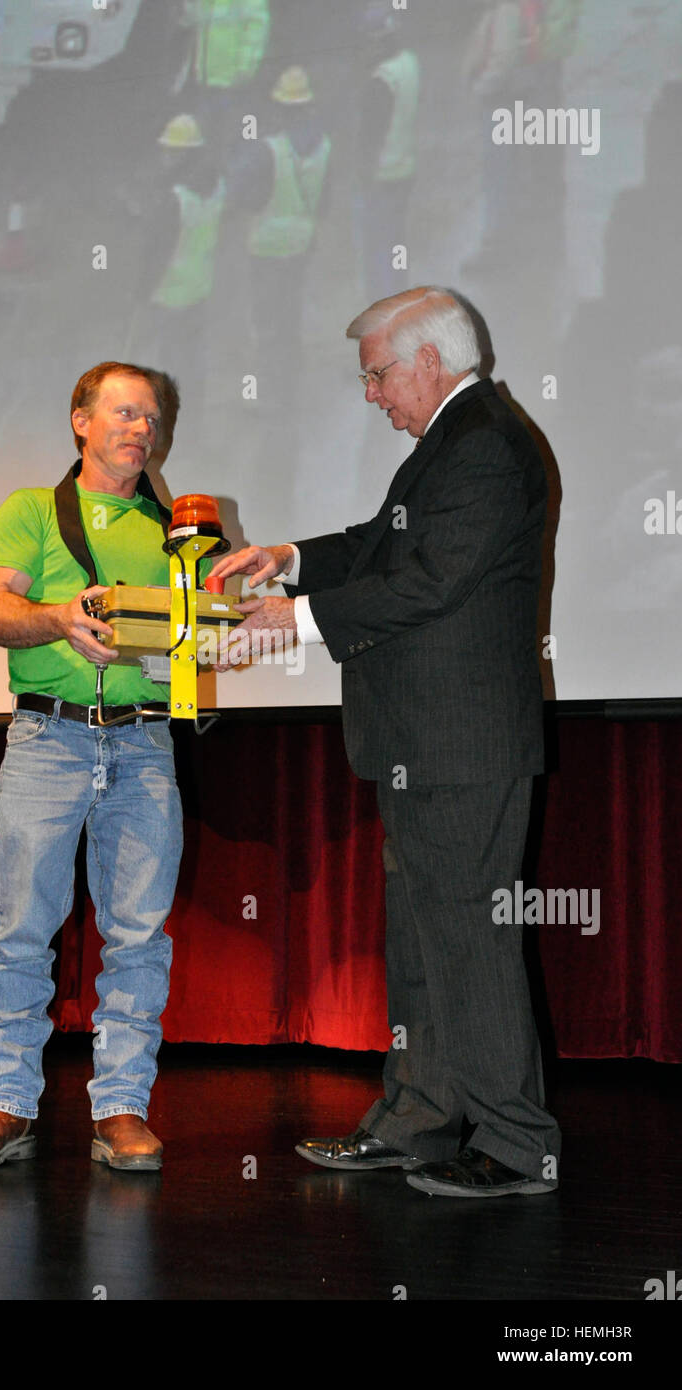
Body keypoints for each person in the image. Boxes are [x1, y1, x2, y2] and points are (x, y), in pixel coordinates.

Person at [210, 287, 562, 1197]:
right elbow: (386, 541)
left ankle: (518, 1145)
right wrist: (286, 558)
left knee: (467, 945)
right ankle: (420, 1122)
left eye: (375, 375)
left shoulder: (482, 442)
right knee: (421, 942)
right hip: (426, 742)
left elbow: (429, 580)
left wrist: (294, 619)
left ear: (427, 363)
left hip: (461, 744)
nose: (371, 395)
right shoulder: (457, 437)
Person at [0, 362, 184, 1171]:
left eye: (150, 417)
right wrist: (57, 619)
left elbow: (197, 642)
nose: (140, 428)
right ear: (80, 421)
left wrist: (215, 638)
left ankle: (120, 1108)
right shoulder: (29, 511)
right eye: (122, 412)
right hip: (48, 740)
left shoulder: (175, 532)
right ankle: (4, 1103)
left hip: (146, 742)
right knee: (20, 931)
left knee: (139, 935)